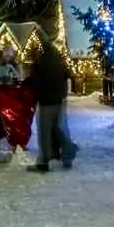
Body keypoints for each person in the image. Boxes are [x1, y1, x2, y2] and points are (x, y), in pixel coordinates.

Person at [24, 39, 75, 172]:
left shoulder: (40, 64)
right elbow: (68, 75)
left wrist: (28, 83)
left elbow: (36, 83)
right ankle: (67, 153)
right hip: (58, 101)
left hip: (46, 102)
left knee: (45, 133)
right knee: (58, 129)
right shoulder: (59, 62)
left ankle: (43, 161)